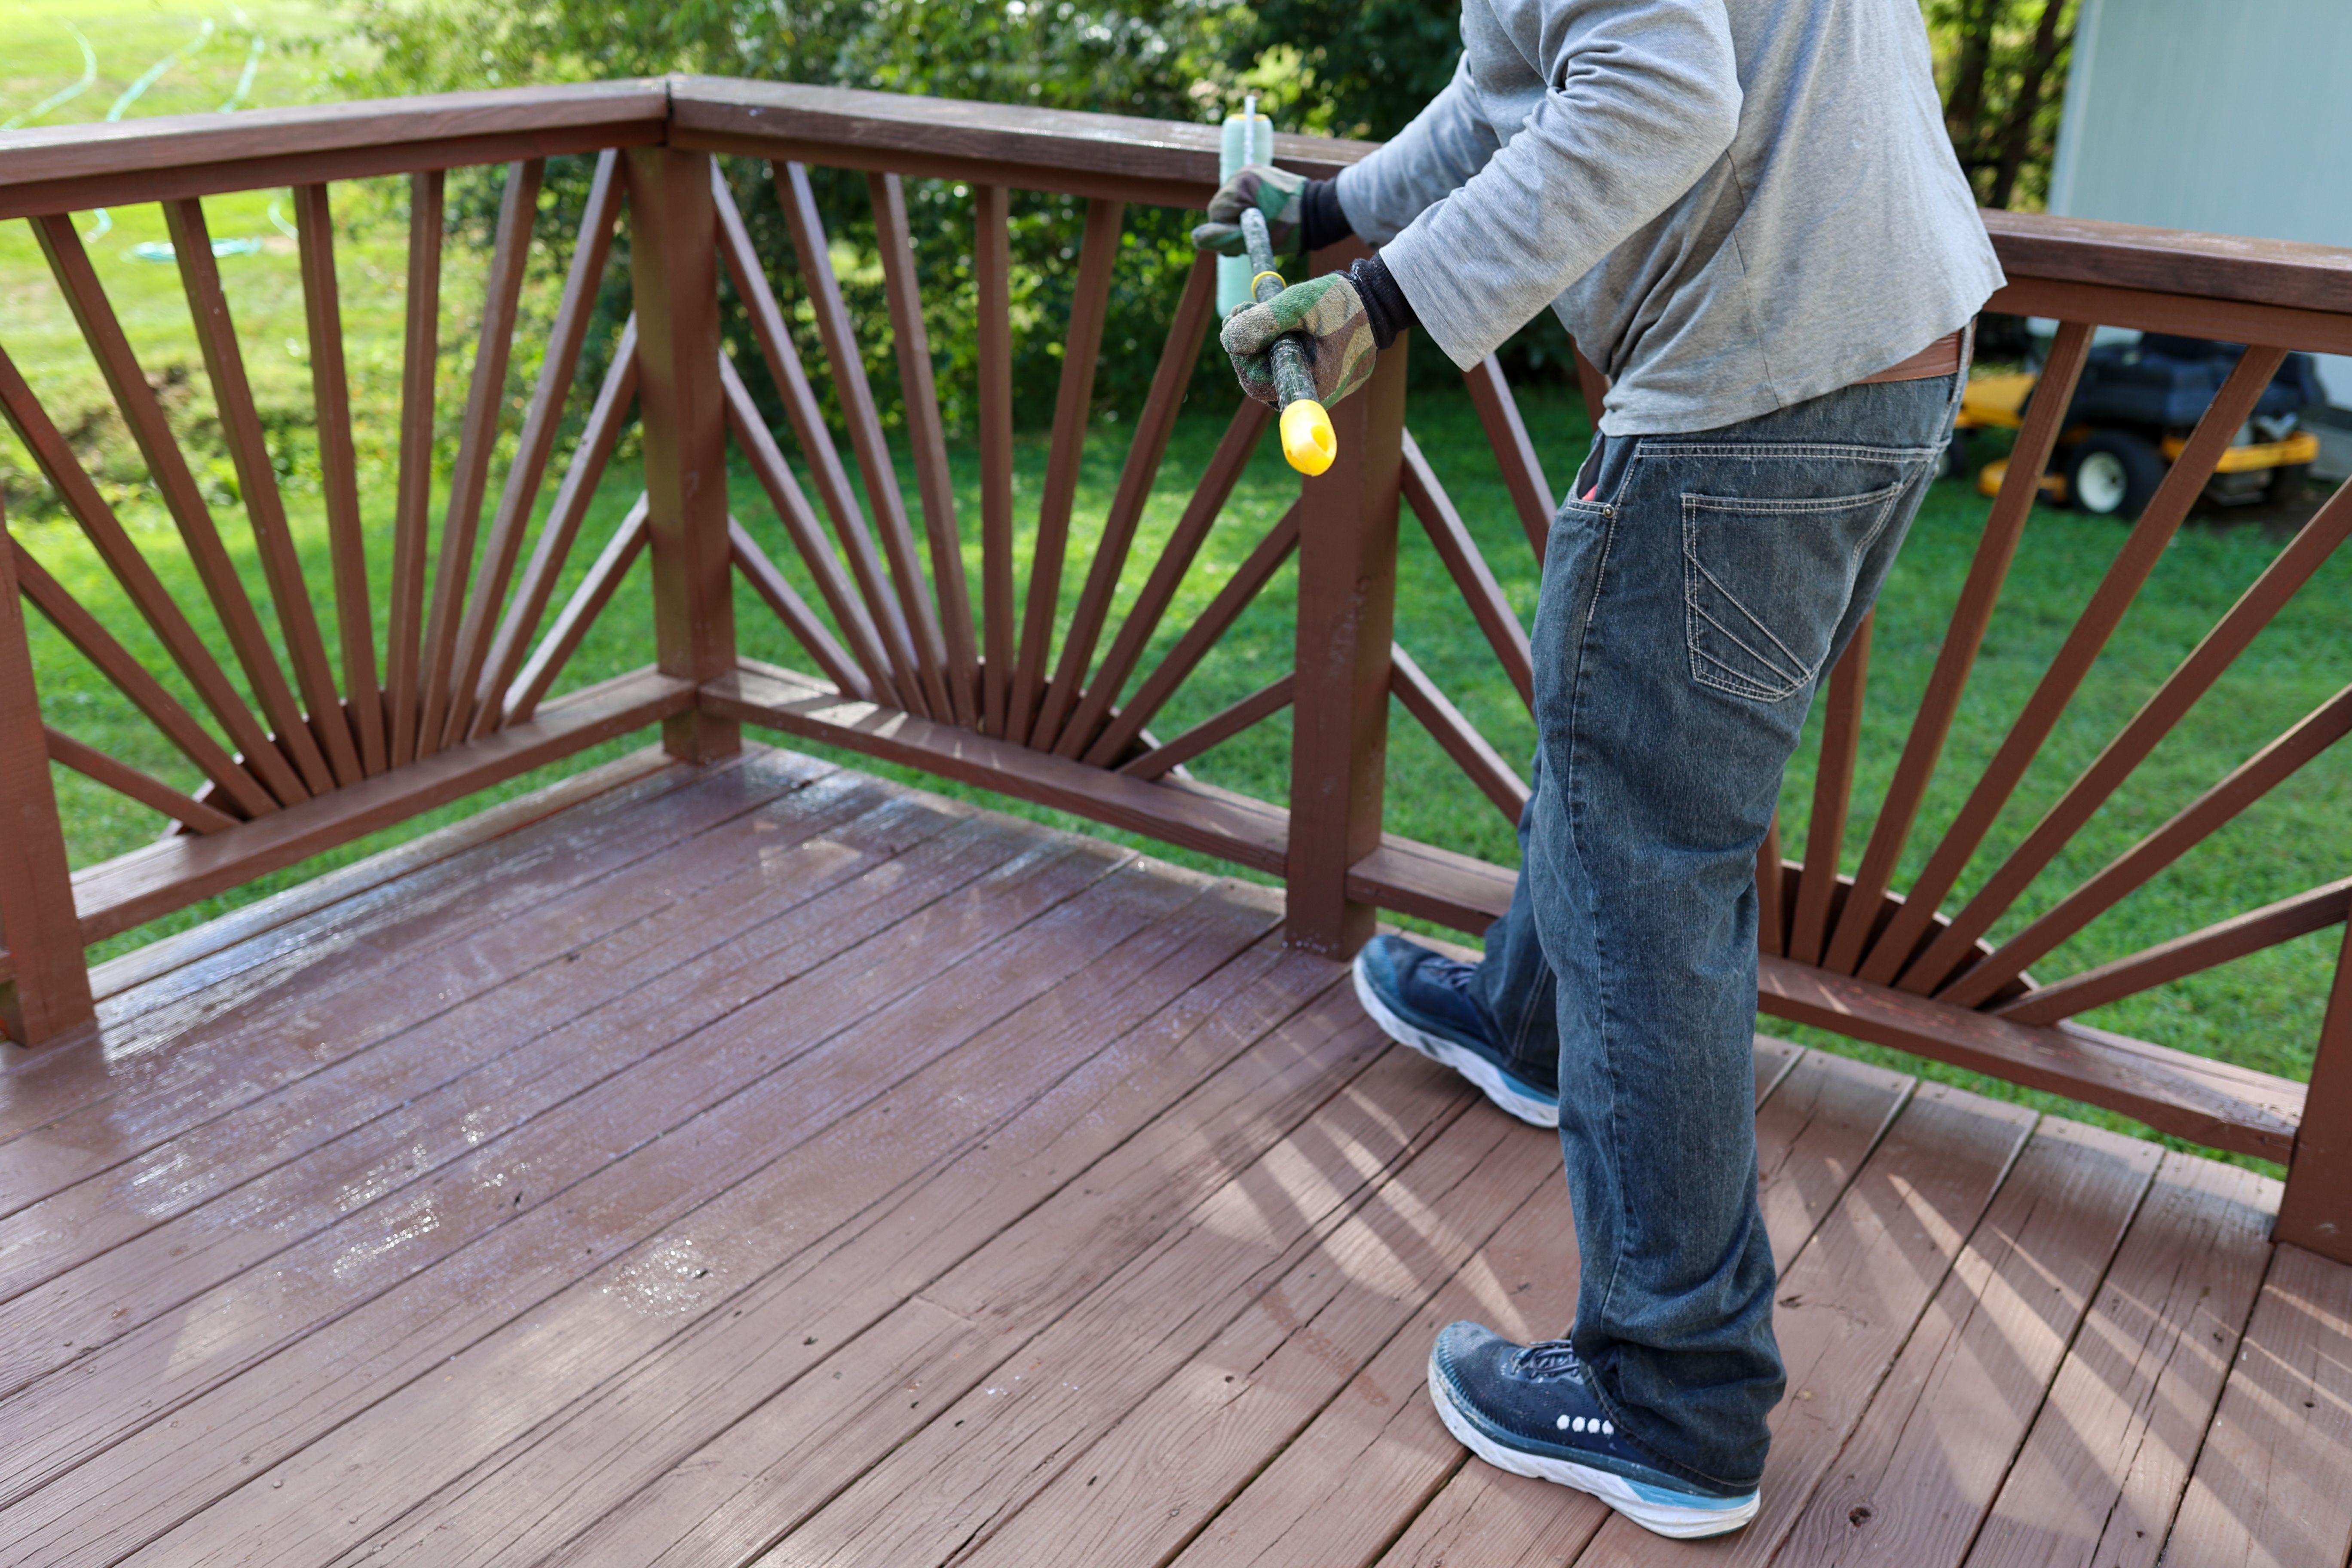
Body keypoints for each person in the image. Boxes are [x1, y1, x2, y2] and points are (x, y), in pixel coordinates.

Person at [1194, 0, 2000, 1541]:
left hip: (1754, 382)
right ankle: (1529, 1016)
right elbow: (1519, 84)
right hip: (1879, 353)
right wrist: (1326, 210)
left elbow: (1653, 98)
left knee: (1653, 866)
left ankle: (1674, 1392)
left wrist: (1378, 298)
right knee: (1637, 771)